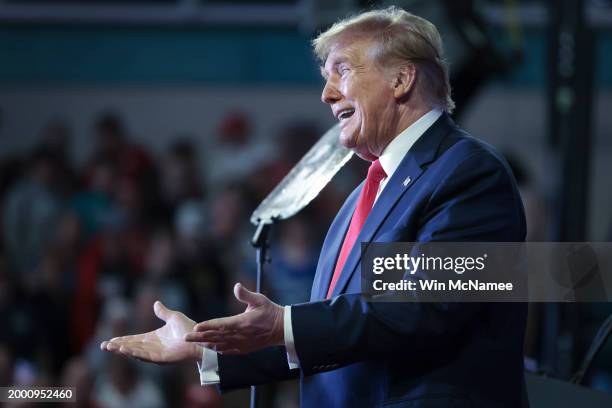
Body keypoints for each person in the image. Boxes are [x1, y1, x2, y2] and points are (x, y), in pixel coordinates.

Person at [102, 7, 528, 407]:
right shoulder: (355, 203)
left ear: (402, 80)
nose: (326, 94)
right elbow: (335, 332)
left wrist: (284, 324)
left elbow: (424, 306)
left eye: (343, 70)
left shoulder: (470, 173)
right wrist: (205, 346)